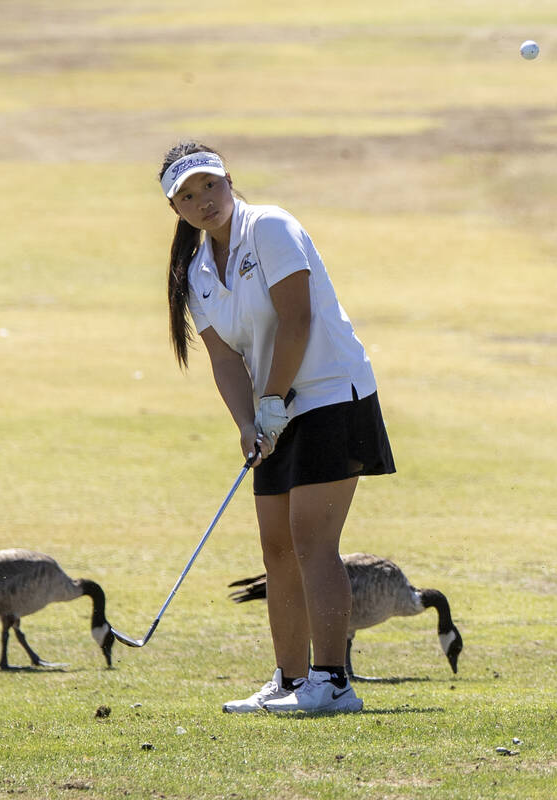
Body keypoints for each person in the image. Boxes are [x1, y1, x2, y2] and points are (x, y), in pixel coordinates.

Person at [158, 142, 395, 714]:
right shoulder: (196, 272)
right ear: (177, 210)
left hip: (332, 394)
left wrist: (270, 402)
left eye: (209, 186)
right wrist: (248, 421)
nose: (202, 201)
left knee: (313, 540)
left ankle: (332, 682)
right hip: (277, 409)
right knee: (277, 547)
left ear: (229, 180)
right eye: (187, 196)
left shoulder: (270, 228)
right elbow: (223, 359)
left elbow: (298, 319)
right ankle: (289, 681)